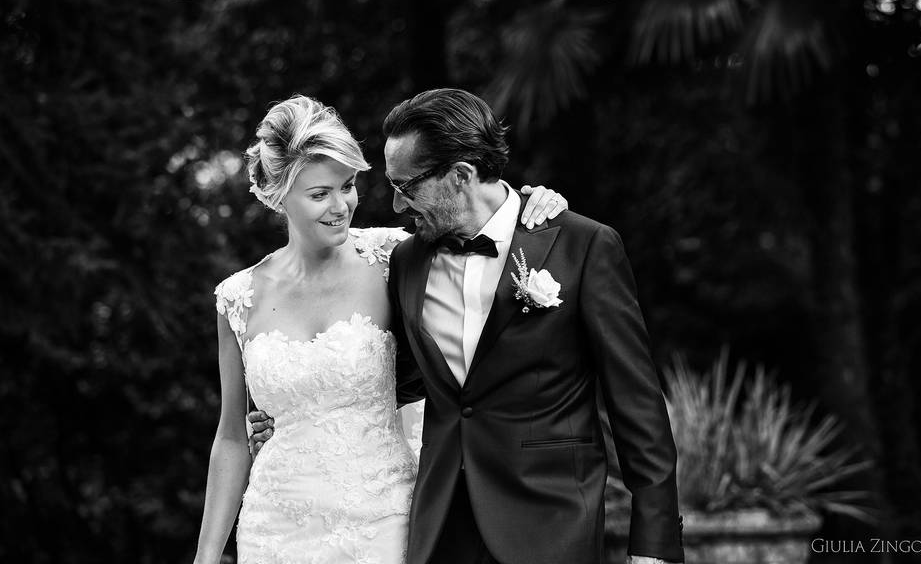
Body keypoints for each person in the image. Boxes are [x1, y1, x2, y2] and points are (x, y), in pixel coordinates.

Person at [252, 88, 684, 564]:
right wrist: (297, 411)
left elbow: (636, 405)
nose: (396, 206)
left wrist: (655, 546)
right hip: (439, 528)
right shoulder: (404, 259)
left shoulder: (581, 246)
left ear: (460, 176)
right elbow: (397, 378)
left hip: (551, 521)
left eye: (407, 187)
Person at [192, 94, 567, 564]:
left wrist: (533, 202)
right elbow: (231, 437)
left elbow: (483, 230)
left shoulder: (395, 257)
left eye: (347, 186)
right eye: (318, 194)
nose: (341, 206)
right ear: (278, 196)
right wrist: (206, 555)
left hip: (383, 521)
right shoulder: (236, 298)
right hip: (275, 528)